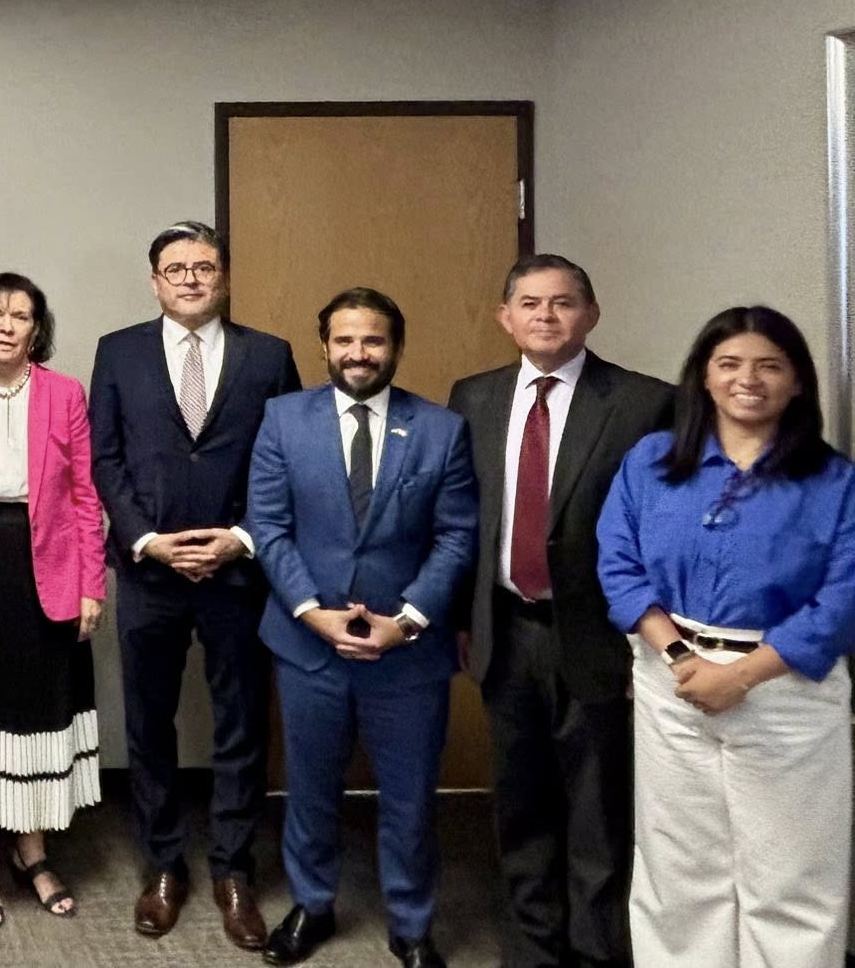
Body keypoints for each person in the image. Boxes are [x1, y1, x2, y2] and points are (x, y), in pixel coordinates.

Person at [597, 306, 855, 968]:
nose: (749, 380)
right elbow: (618, 565)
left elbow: (842, 598)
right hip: (672, 680)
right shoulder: (652, 461)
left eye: (770, 366)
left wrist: (739, 676)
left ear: (797, 383)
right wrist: (681, 658)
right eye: (730, 364)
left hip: (786, 689)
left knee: (790, 873)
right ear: (703, 378)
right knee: (679, 869)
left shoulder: (834, 480)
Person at [447, 255, 669, 968]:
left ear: (591, 314)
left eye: (564, 302)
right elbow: (464, 516)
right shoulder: (473, 397)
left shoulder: (643, 403)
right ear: (505, 317)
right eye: (530, 303)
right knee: (520, 803)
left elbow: (660, 532)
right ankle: (533, 949)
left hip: (599, 636)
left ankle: (597, 950)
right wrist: (462, 619)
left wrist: (651, 641)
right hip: (504, 630)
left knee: (599, 809)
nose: (546, 315)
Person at [245, 287, 477, 968]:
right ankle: (312, 904)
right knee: (310, 789)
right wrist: (309, 610)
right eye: (344, 340)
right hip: (307, 646)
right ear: (324, 346)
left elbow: (457, 536)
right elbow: (268, 526)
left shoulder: (440, 429)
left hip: (407, 654)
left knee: (409, 799)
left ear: (395, 347)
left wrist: (408, 620)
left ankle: (411, 924)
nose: (358, 353)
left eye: (373, 340)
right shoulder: (283, 419)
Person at [88, 220, 300, 949]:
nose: (189, 279)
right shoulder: (118, 352)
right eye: (175, 269)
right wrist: (146, 540)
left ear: (224, 278)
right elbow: (104, 457)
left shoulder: (268, 355)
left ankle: (234, 870)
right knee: (149, 724)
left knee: (242, 724)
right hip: (150, 570)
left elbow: (288, 456)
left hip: (236, 572)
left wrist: (242, 537)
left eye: (203, 267)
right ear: (155, 281)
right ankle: (163, 865)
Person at [0, 273, 105, 932]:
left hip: (52, 571)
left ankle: (32, 850)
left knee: (40, 711)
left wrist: (92, 584)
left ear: (37, 329)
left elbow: (86, 495)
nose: (7, 325)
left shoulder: (65, 394)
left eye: (21, 316)